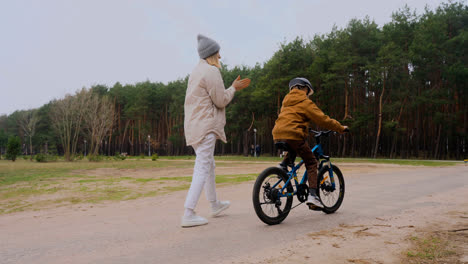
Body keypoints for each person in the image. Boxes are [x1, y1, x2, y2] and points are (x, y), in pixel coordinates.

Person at [182, 34, 251, 227]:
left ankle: (214, 205)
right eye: (218, 52)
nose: (220, 56)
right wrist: (234, 88)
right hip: (206, 126)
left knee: (208, 165)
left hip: (194, 126)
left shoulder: (196, 71)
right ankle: (188, 213)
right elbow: (221, 100)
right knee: (203, 166)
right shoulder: (211, 72)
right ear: (211, 54)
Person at [272, 77, 348, 209]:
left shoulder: (286, 102)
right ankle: (313, 196)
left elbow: (290, 118)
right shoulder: (305, 102)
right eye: (308, 90)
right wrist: (340, 128)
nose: (308, 93)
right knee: (312, 163)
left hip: (278, 134)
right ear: (304, 88)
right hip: (294, 135)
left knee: (293, 148)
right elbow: (322, 119)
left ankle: (282, 167)